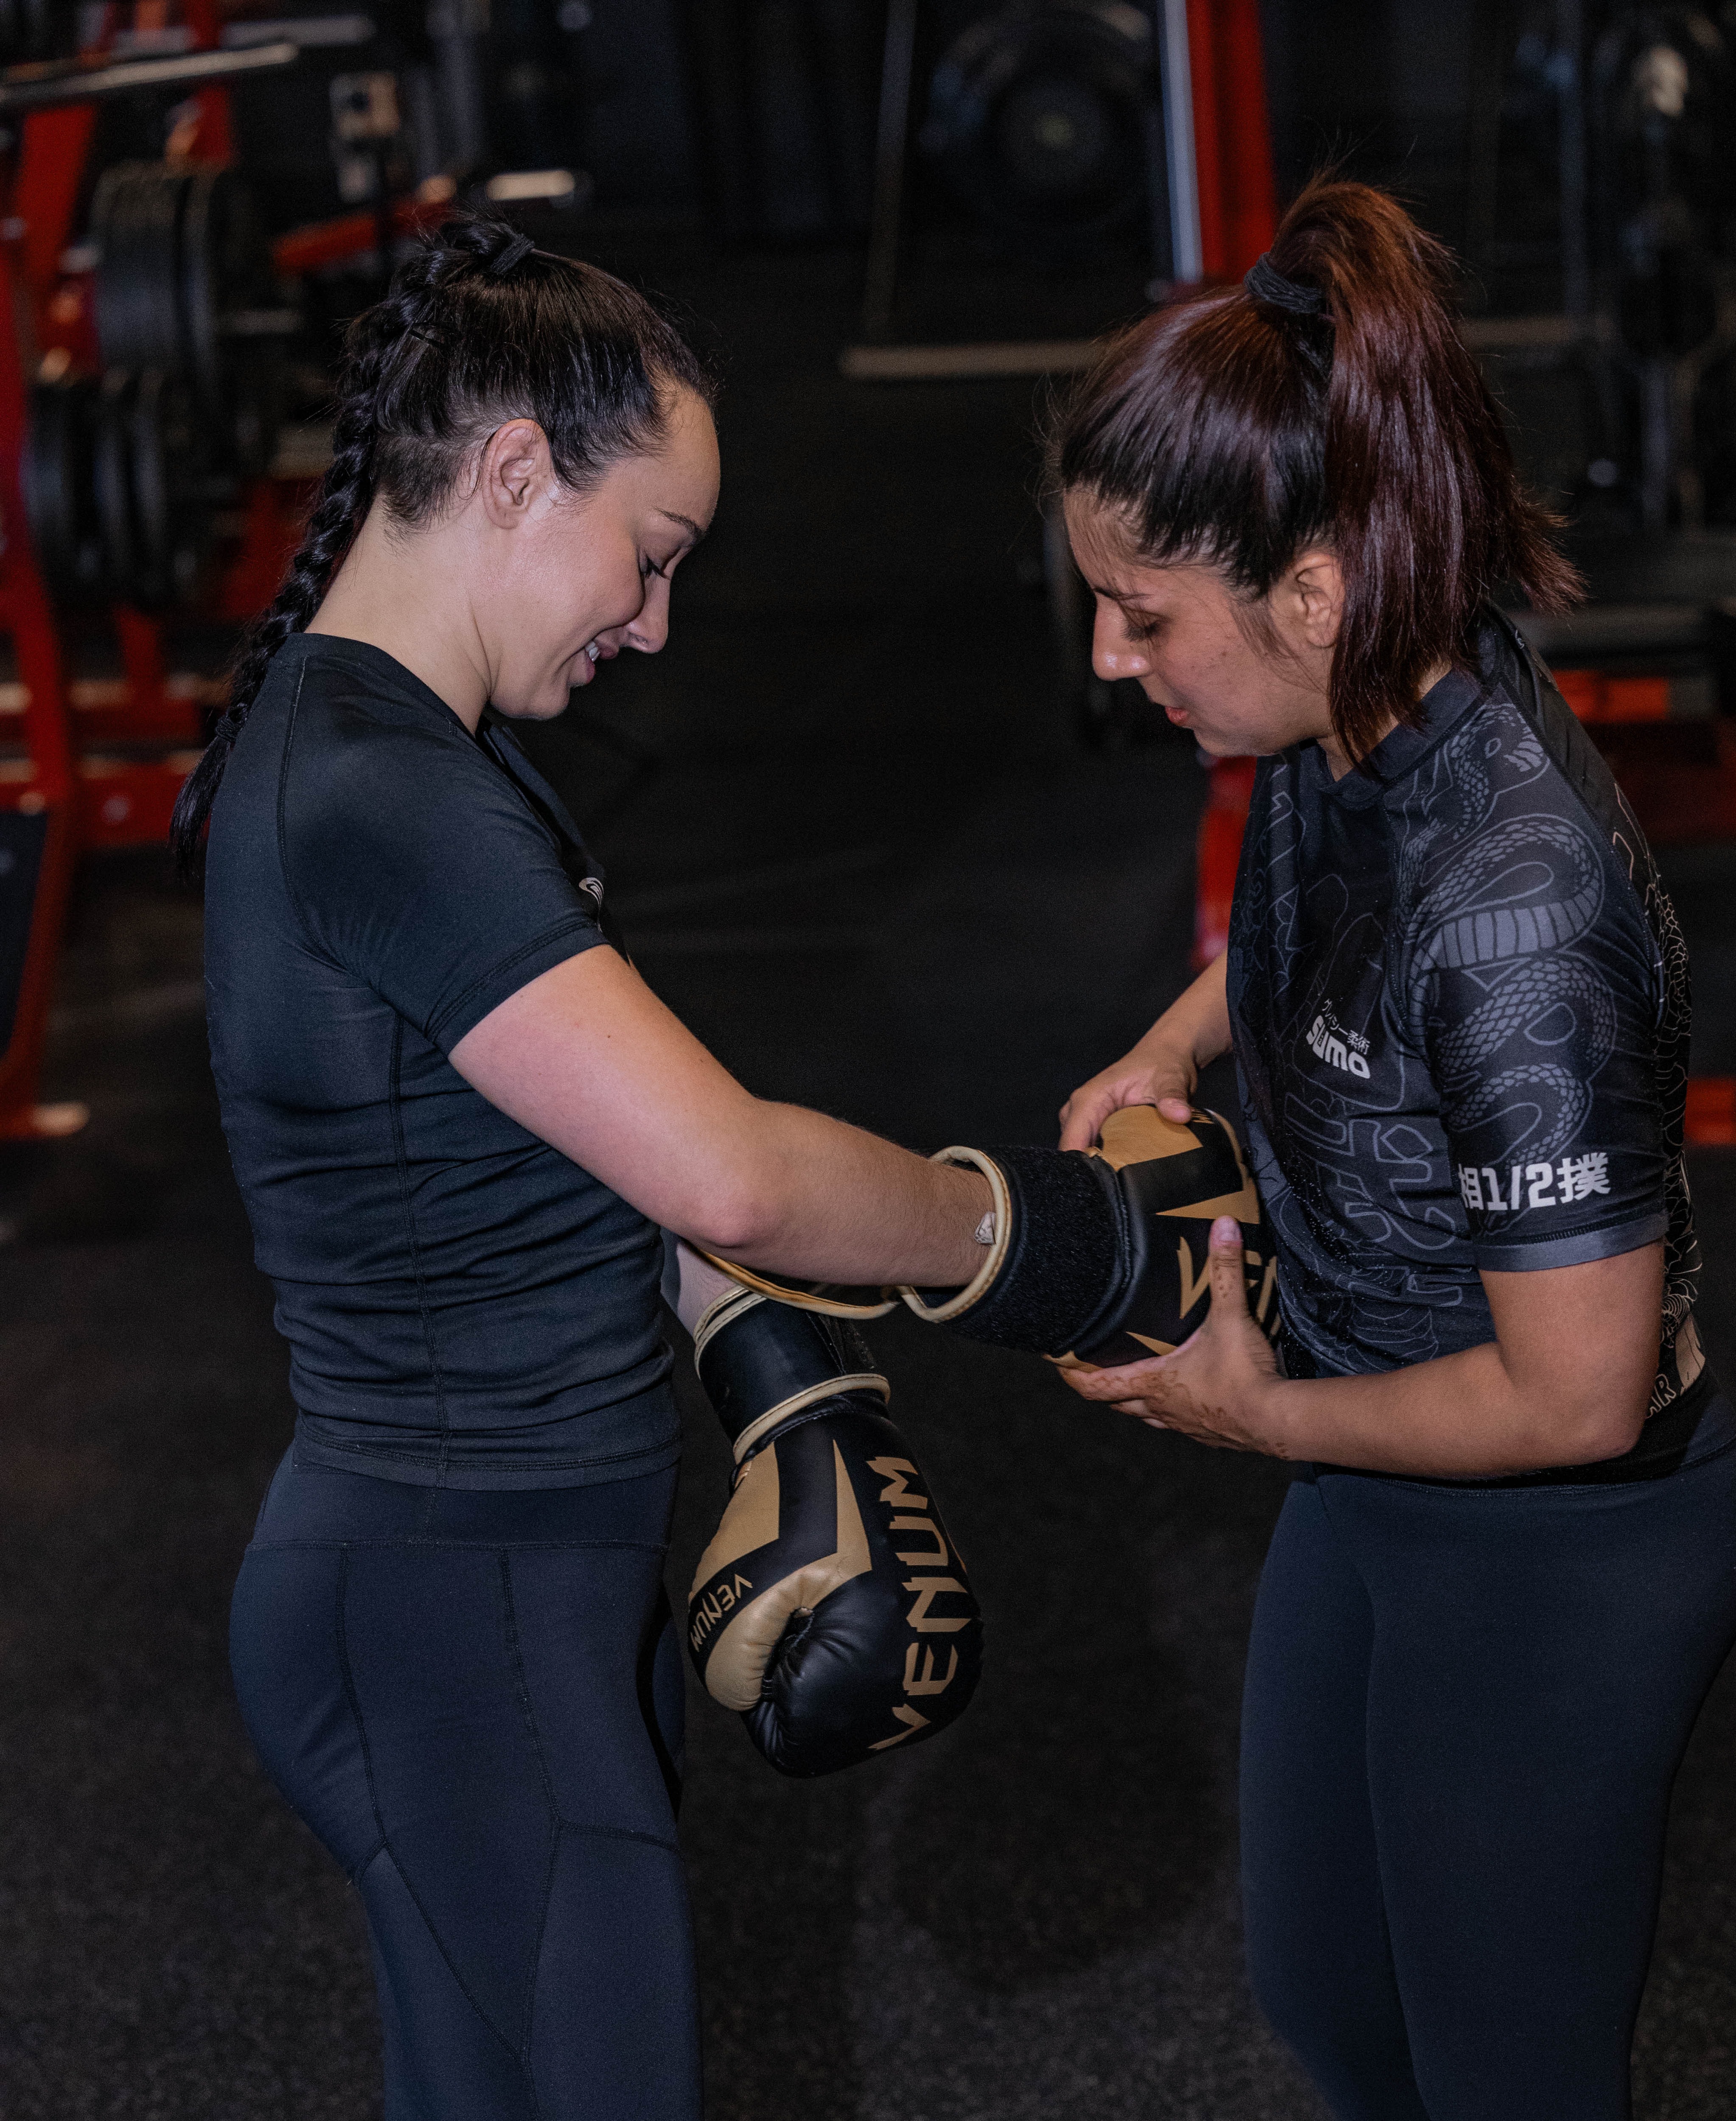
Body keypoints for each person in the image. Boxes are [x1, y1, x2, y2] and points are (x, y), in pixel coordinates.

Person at [177, 220, 992, 2120]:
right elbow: (728, 1176)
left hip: (495, 1587)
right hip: (457, 1595)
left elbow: (597, 1159)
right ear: (518, 468)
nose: (655, 623)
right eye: (654, 552)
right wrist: (1030, 1233)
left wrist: (783, 1375)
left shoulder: (401, 750)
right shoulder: (385, 791)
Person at [1040, 179, 1736, 2120]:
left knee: (1505, 2077)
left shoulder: (1520, 908)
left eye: (1143, 614)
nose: (1110, 656)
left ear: (1312, 590)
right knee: (1335, 2004)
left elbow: (1575, 1392)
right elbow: (1312, 927)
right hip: (1378, 1465)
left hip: (1556, 1537)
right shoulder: (1344, 719)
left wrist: (1250, 1408)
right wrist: (1171, 1037)